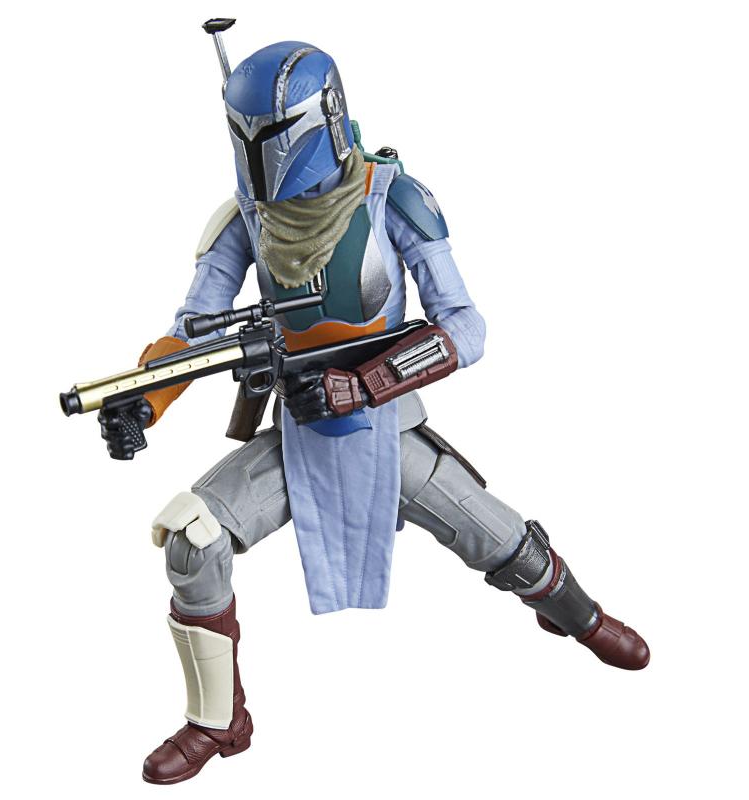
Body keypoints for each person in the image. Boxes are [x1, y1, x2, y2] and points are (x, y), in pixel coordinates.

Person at [98, 39, 649, 786]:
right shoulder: (245, 220)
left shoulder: (393, 197)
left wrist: (365, 385)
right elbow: (193, 331)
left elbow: (465, 327)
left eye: (275, 135)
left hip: (383, 424)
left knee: (503, 541)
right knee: (193, 540)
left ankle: (579, 616)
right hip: (299, 432)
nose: (262, 155)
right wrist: (145, 399)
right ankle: (218, 720)